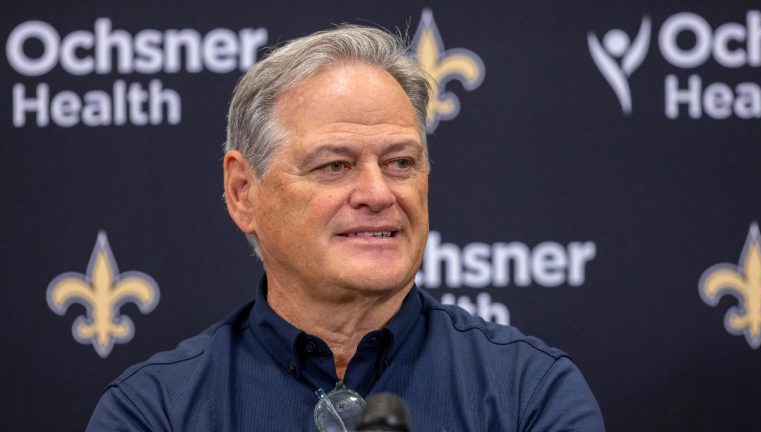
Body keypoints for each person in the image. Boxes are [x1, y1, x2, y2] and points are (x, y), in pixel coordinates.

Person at [87, 25, 605, 431]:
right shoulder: (155, 412)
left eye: (401, 162)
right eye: (334, 166)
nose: (379, 194)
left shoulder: (530, 393)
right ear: (244, 191)